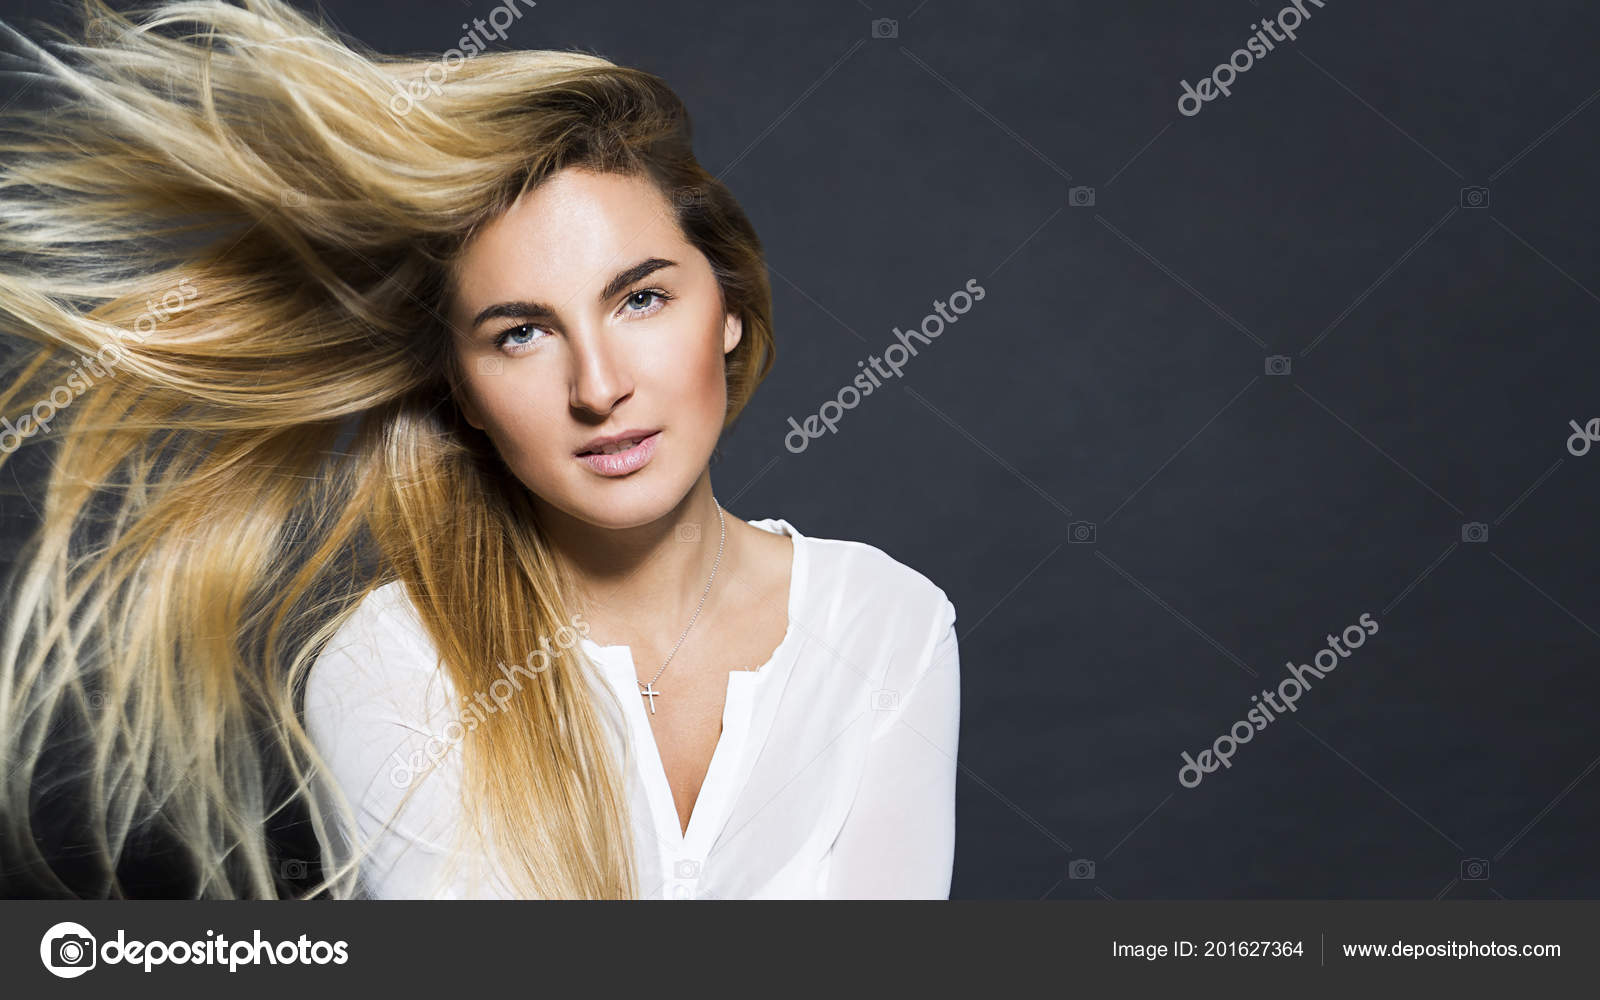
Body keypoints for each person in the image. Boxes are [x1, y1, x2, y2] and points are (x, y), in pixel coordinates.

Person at [0, 0, 959, 899]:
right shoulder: (393, 660)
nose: (598, 387)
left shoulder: (886, 624)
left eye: (641, 299)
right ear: (461, 391)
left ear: (731, 313)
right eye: (520, 334)